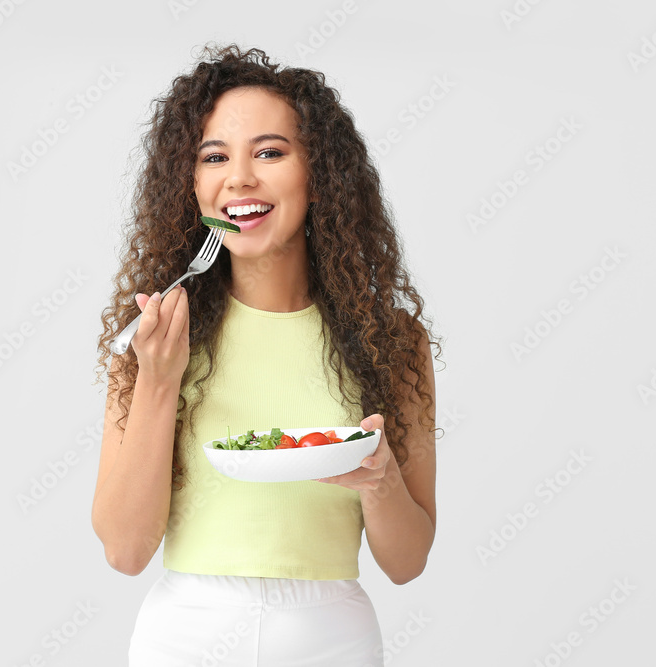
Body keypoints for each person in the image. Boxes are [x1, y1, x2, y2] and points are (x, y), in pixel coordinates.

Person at [90, 43, 441, 666]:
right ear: (191, 183)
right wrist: (158, 383)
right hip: (186, 635)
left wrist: (381, 480)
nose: (239, 177)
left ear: (320, 174)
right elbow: (124, 550)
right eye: (214, 156)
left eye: (270, 152)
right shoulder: (154, 337)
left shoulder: (391, 339)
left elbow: (408, 563)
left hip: (332, 636)